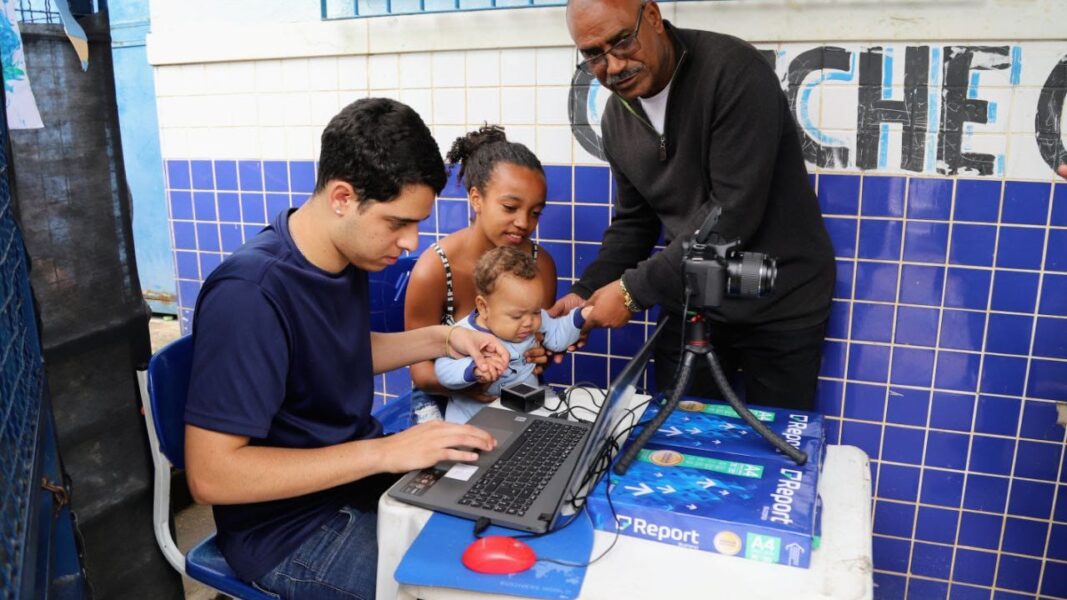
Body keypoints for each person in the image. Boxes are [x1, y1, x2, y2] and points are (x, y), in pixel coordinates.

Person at [183, 98, 511, 599]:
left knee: (491, 536)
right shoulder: (250, 294)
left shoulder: (343, 254)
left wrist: (446, 337)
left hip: (350, 488)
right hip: (287, 532)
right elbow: (211, 475)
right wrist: (384, 451)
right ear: (342, 196)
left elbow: (335, 353)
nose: (410, 242)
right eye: (398, 222)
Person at [554, 0, 836, 411]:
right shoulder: (617, 117)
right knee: (674, 439)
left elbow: (731, 215)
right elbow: (635, 222)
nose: (613, 66)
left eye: (621, 42)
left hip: (780, 300)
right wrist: (585, 292)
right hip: (693, 299)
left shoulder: (733, 72)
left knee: (774, 446)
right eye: (594, 54)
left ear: (651, 16)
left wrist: (633, 292)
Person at [405, 125, 557, 423]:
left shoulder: (540, 266)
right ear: (476, 198)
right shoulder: (435, 269)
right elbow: (421, 372)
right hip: (441, 392)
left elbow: (537, 343)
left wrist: (539, 357)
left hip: (510, 386)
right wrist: (470, 382)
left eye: (536, 212)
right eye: (510, 207)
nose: (523, 222)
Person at [435, 247, 592, 422]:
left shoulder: (533, 318)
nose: (529, 322)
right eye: (516, 316)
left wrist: (580, 317)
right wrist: (472, 369)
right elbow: (442, 368)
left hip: (524, 414)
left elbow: (557, 338)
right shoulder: (464, 335)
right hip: (473, 421)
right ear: (483, 307)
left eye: (535, 312)